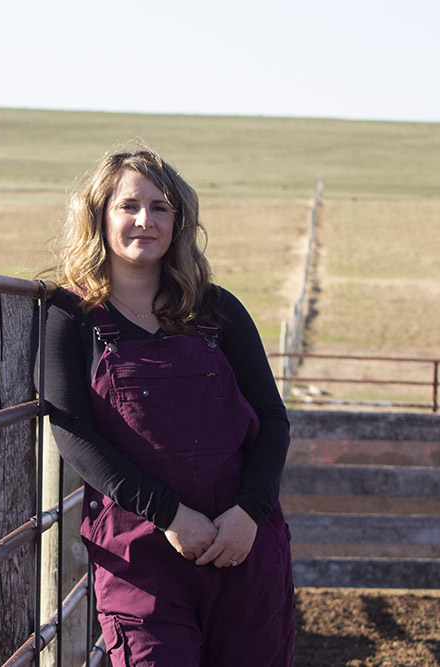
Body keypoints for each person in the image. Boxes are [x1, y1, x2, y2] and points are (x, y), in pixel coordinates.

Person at [40, 143, 294, 666]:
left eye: (160, 207)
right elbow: (72, 433)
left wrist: (250, 512)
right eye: (128, 206)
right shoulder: (71, 315)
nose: (144, 220)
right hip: (141, 556)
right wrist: (171, 515)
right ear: (99, 216)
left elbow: (272, 421)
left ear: (179, 222)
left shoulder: (218, 310)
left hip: (240, 547)